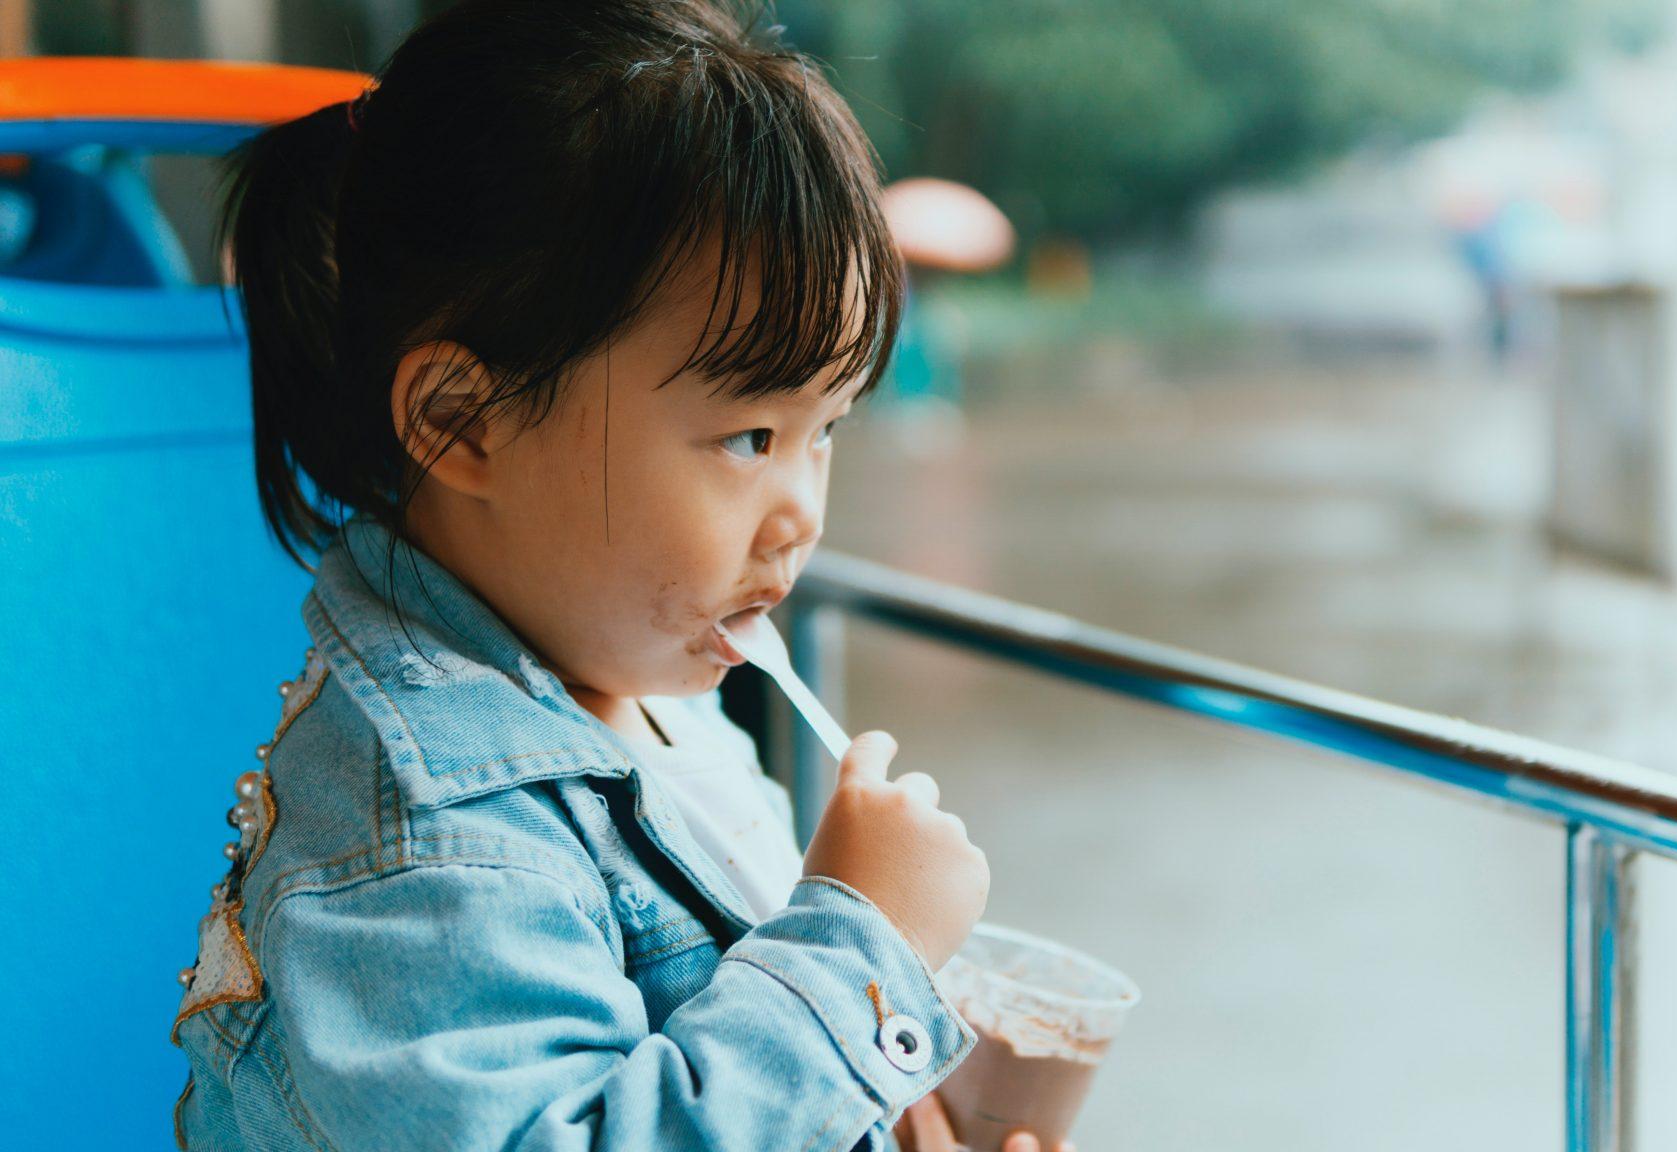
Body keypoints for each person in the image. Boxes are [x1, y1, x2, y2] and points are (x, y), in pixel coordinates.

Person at [171, 4, 1061, 1149]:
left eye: (824, 428)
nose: (801, 514)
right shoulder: (425, 842)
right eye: (748, 438)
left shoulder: (645, 678)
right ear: (463, 422)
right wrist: (864, 953)